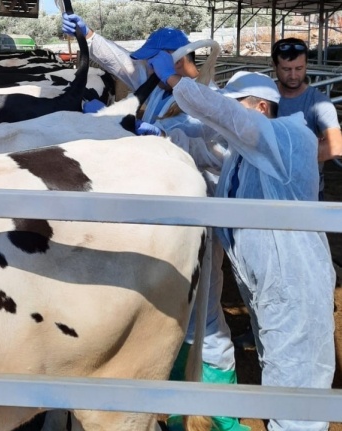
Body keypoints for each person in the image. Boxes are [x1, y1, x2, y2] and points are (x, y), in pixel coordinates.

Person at [63, 15, 248, 431]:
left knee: (207, 316)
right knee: (178, 313)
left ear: (174, 59)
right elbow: (125, 65)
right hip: (173, 224)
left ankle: (219, 414)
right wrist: (88, 35)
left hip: (202, 223)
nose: (146, 70)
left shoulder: (206, 98)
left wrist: (158, 138)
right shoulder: (164, 90)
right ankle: (186, 404)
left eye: (155, 62)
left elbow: (215, 154)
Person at [150, 54, 336, 431]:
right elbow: (207, 144)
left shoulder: (288, 136)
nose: (228, 118)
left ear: (261, 107)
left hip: (293, 283)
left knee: (296, 390)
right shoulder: (244, 155)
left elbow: (223, 115)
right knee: (278, 370)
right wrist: (163, 137)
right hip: (266, 285)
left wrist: (177, 82)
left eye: (238, 105)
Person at [271, 37, 342, 200]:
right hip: (270, 187)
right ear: (274, 66)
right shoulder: (266, 97)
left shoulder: (318, 102)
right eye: (286, 69)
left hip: (307, 190)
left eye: (299, 68)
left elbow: (336, 146)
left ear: (306, 66)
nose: (294, 75)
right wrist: (309, 147)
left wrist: (282, 158)